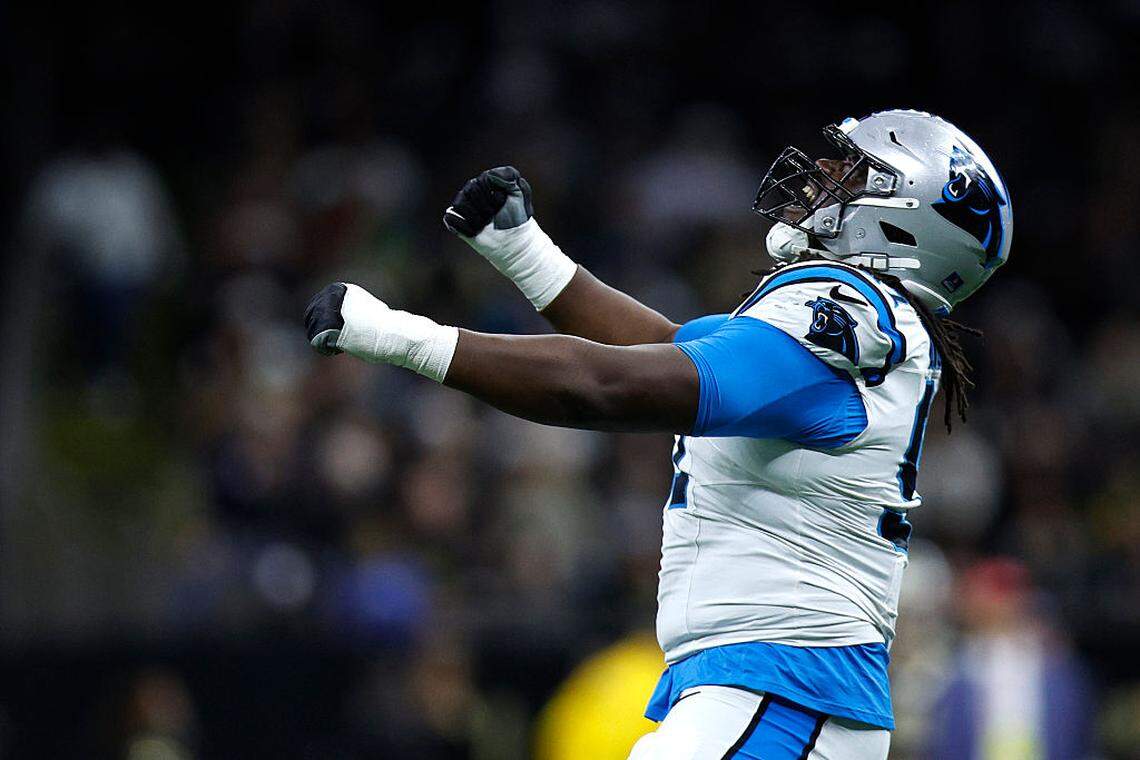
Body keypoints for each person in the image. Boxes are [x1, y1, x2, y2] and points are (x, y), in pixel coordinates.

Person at [303, 109, 1013, 759]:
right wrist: (522, 252)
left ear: (905, 222)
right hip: (768, 693)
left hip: (783, 692)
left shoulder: (848, 320)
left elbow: (606, 386)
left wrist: (398, 336)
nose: (824, 178)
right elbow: (662, 347)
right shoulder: (851, 323)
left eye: (855, 172)